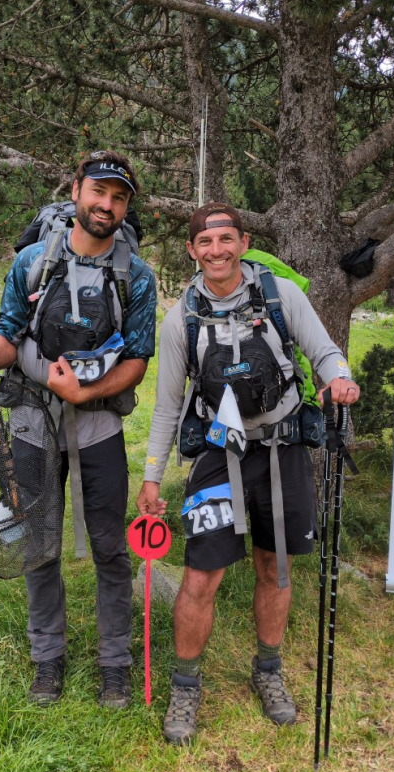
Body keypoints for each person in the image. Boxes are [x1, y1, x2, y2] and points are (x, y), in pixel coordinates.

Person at [136, 202, 360, 744]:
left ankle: (269, 671)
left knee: (274, 566)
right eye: (205, 242)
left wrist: (340, 377)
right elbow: (167, 406)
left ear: (242, 241)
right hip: (220, 451)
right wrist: (151, 476)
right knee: (200, 574)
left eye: (225, 239)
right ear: (192, 250)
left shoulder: (280, 296)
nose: (216, 251)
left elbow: (324, 352)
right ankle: (185, 685)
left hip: (283, 447)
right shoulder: (181, 319)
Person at [0, 151, 157, 709]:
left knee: (110, 549)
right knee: (39, 543)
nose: (107, 205)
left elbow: (137, 360)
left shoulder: (137, 277)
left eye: (119, 198)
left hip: (99, 426)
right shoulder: (32, 262)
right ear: (76, 191)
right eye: (98, 192)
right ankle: (47, 659)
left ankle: (115, 666)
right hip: (32, 422)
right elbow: (8, 334)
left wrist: (84, 394)